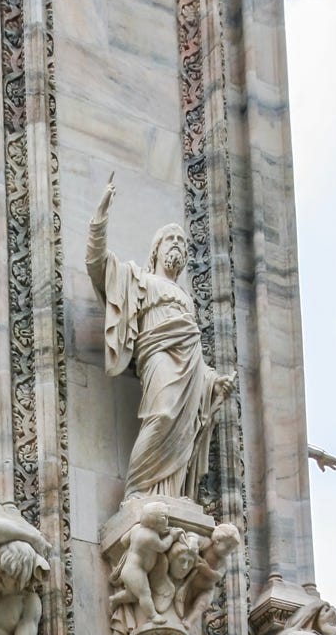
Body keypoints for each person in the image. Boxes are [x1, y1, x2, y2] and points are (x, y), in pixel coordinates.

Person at [87, 176, 236, 502]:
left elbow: (194, 352)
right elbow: (98, 266)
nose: (178, 246)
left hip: (189, 368)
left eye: (183, 243)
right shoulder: (140, 280)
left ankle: (169, 494)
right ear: (156, 249)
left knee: (182, 429)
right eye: (171, 239)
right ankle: (138, 490)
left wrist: (212, 381)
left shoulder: (186, 297)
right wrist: (100, 218)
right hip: (158, 358)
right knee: (162, 415)